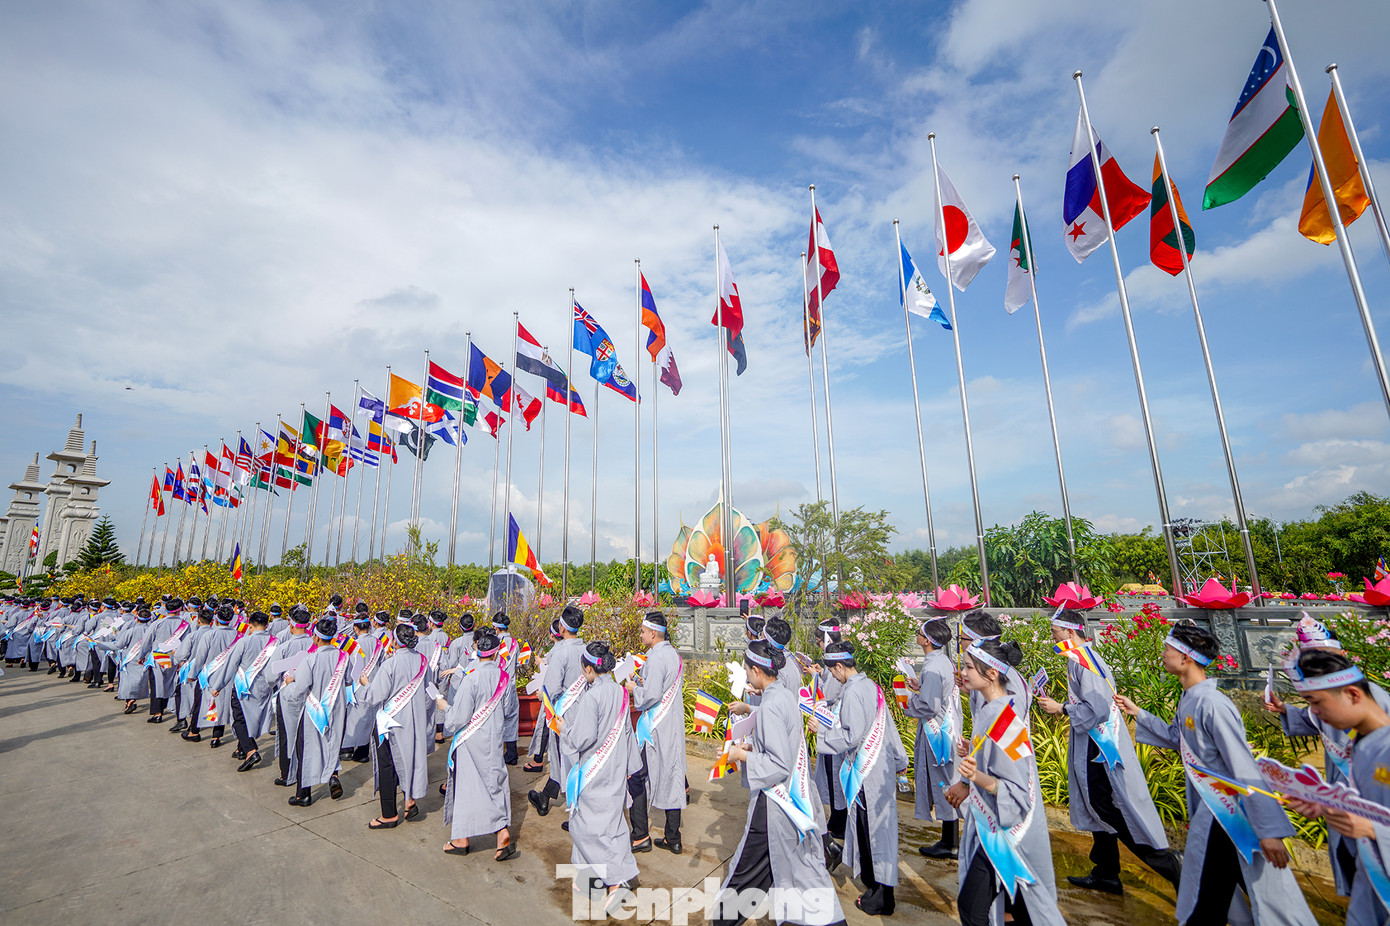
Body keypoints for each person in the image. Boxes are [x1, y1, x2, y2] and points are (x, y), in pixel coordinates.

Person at [1118, 620, 1317, 926]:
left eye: (1168, 649)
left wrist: (1269, 830)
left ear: (1186, 658)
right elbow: (1177, 738)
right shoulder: (1190, 698)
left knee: (1210, 895)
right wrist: (1138, 713)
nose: (1163, 654)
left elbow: (1243, 766)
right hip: (1212, 812)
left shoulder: (1212, 704)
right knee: (1215, 891)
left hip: (1228, 813)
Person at [1036, 608, 1180, 894]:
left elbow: (1098, 707)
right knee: (1099, 803)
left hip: (1098, 743)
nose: (1051, 637)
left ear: (1069, 632)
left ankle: (1167, 864)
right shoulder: (1079, 659)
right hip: (1094, 739)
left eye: (1054, 632)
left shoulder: (1084, 661)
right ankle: (1106, 871)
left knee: (1105, 806)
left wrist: (1061, 708)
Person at [715, 639, 845, 926]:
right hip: (794, 796)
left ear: (758, 672)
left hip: (775, 801)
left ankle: (722, 920)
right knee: (801, 868)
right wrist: (753, 748)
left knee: (746, 868)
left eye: (748, 670)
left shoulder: (772, 704)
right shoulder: (784, 696)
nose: (747, 675)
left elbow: (777, 763)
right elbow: (781, 745)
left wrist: (739, 754)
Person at [1265, 615, 1390, 900]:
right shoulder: (1359, 735)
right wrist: (1325, 805)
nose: (1317, 711)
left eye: (1318, 703)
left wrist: (1373, 829)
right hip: (1353, 814)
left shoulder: (1379, 724)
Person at [953, 638, 1066, 926]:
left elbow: (1017, 791)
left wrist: (974, 776)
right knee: (1023, 908)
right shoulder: (994, 710)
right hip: (998, 825)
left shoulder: (1004, 719)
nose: (963, 673)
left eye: (968, 667)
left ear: (991, 673)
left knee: (972, 906)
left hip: (1009, 831)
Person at [818, 641, 909, 916]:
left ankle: (882, 896)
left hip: (866, 773)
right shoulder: (871, 686)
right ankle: (878, 888)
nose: (833, 677)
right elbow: (888, 725)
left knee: (873, 835)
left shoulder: (853, 691)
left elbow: (851, 735)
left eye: (832, 672)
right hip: (879, 770)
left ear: (838, 666)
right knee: (878, 832)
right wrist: (900, 759)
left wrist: (820, 733)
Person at [559, 642, 643, 908]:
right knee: (613, 825)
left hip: (595, 769)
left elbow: (582, 738)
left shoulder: (592, 697)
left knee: (587, 827)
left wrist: (564, 728)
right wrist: (632, 767)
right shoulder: (619, 692)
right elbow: (627, 731)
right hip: (615, 766)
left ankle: (616, 880)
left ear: (588, 669)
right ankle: (589, 876)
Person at [435, 628, 517, 860]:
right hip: (494, 736)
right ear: (495, 654)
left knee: (469, 789)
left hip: (472, 739)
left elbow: (459, 718)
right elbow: (508, 708)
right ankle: (501, 833)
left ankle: (461, 838)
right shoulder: (503, 676)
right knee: (495, 783)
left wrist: (444, 708)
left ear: (477, 651)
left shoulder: (472, 678)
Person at [624, 612, 687, 854]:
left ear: (652, 632)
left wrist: (633, 688)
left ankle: (640, 835)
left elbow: (650, 696)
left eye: (642, 631)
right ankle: (673, 836)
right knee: (672, 776)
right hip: (670, 725)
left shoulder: (658, 658)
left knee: (636, 775)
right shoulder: (672, 654)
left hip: (656, 729)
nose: (640, 635)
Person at [362, 621, 432, 829]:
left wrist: (366, 684)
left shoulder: (390, 665)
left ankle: (389, 814)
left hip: (390, 722)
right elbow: (429, 692)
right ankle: (410, 800)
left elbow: (376, 695)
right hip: (415, 720)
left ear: (395, 641)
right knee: (410, 758)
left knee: (387, 765)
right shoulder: (422, 661)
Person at [902, 617, 960, 861]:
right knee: (945, 778)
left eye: (918, 633)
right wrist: (920, 686)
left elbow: (929, 704)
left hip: (936, 730)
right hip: (945, 724)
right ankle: (950, 838)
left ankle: (950, 842)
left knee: (942, 780)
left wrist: (908, 702)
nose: (916, 636)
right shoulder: (942, 661)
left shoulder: (932, 667)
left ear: (926, 640)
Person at [281, 618, 349, 806]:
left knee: (306, 750)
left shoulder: (310, 659)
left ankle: (303, 794)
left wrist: (289, 684)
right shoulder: (344, 657)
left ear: (316, 638)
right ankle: (333, 775)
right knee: (332, 743)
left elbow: (300, 689)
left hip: (314, 710)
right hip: (337, 708)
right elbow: (349, 680)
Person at [529, 605, 586, 816]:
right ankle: (546, 796)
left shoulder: (560, 652)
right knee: (574, 758)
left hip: (563, 713)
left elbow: (551, 688)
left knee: (565, 758)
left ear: (561, 627)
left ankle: (574, 811)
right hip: (583, 711)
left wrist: (540, 695)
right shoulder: (585, 649)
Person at [207, 611, 277, 772]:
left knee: (239, 719)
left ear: (250, 625)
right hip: (265, 687)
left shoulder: (244, 642)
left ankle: (251, 751)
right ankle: (241, 749)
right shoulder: (275, 642)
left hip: (243, 687)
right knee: (252, 718)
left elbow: (230, 666)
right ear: (267, 625)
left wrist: (218, 686)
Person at [810, 619, 849, 858]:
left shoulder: (836, 664)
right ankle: (837, 816)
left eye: (819, 640)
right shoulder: (837, 659)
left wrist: (817, 676)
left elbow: (829, 694)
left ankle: (838, 819)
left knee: (834, 774)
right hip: (831, 723)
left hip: (832, 724)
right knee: (831, 773)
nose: (818, 644)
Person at [270, 609, 315, 786]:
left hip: (288, 695)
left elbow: (271, 675)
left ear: (291, 624)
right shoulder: (315, 645)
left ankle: (287, 774)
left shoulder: (284, 647)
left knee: (286, 734)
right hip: (311, 696)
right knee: (306, 735)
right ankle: (305, 772)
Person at [523, 617, 562, 774]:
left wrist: (542, 665)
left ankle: (539, 760)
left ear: (553, 635)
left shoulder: (557, 652)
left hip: (554, 696)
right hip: (567, 698)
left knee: (545, 726)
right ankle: (540, 758)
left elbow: (553, 673)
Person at [492, 611, 522, 766]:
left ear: (495, 628)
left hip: (498, 686)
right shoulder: (515, 643)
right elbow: (518, 664)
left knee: (496, 720)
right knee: (511, 720)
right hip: (511, 684)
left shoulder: (495, 643)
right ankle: (512, 753)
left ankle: (495, 754)